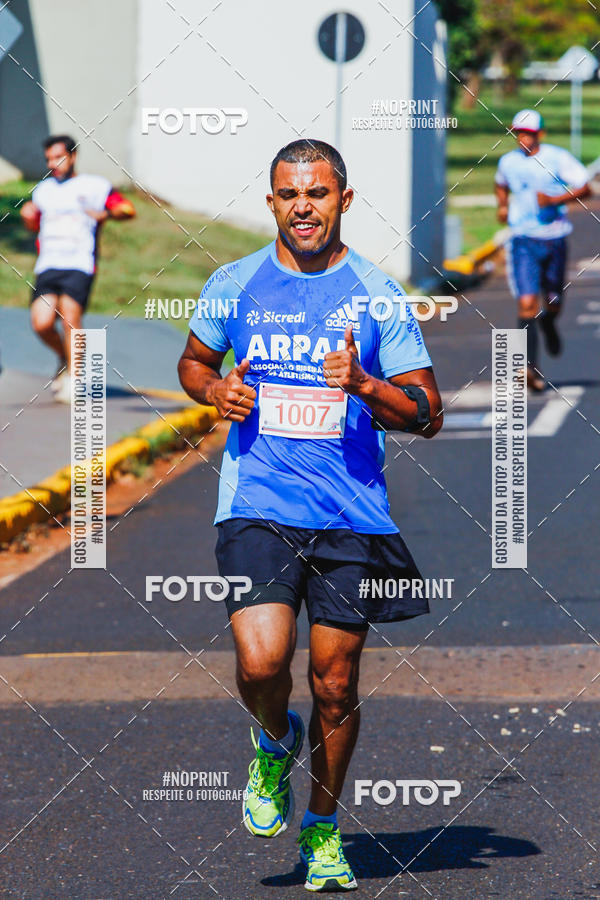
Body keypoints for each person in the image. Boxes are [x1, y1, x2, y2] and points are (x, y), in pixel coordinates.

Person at [178, 139, 443, 892]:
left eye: (318, 193)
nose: (303, 207)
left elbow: (428, 413)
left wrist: (365, 384)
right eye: (290, 194)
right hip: (257, 504)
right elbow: (194, 363)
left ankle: (323, 829)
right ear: (272, 202)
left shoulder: (378, 295)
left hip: (350, 518)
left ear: (343, 200)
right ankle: (273, 740)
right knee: (262, 663)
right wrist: (214, 391)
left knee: (335, 685)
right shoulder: (234, 283)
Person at [20, 135, 135, 403]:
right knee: (41, 322)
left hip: (79, 263)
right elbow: (35, 225)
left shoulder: (94, 186)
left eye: (58, 157)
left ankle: (74, 378)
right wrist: (28, 218)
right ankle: (64, 355)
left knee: (70, 316)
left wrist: (106, 214)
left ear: (72, 156)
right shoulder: (43, 190)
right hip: (48, 265)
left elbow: (127, 209)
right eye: (48, 159)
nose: (53, 164)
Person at [494, 109, 591, 391]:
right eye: (519, 134)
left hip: (554, 239)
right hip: (523, 240)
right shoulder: (508, 162)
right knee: (526, 302)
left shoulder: (557, 158)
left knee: (553, 301)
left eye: (529, 134)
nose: (523, 139)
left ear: (540, 135)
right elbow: (500, 184)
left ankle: (548, 322)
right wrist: (502, 206)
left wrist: (554, 200)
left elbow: (585, 188)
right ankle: (528, 368)